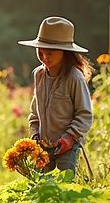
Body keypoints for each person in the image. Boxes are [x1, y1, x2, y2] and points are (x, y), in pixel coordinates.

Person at [18, 16, 94, 174]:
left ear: (65, 52)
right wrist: (35, 133)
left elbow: (85, 114)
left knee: (66, 182)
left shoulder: (74, 78)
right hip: (43, 143)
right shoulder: (38, 74)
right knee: (40, 185)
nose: (44, 57)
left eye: (50, 53)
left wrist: (70, 137)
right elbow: (35, 110)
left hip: (67, 145)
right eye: (41, 51)